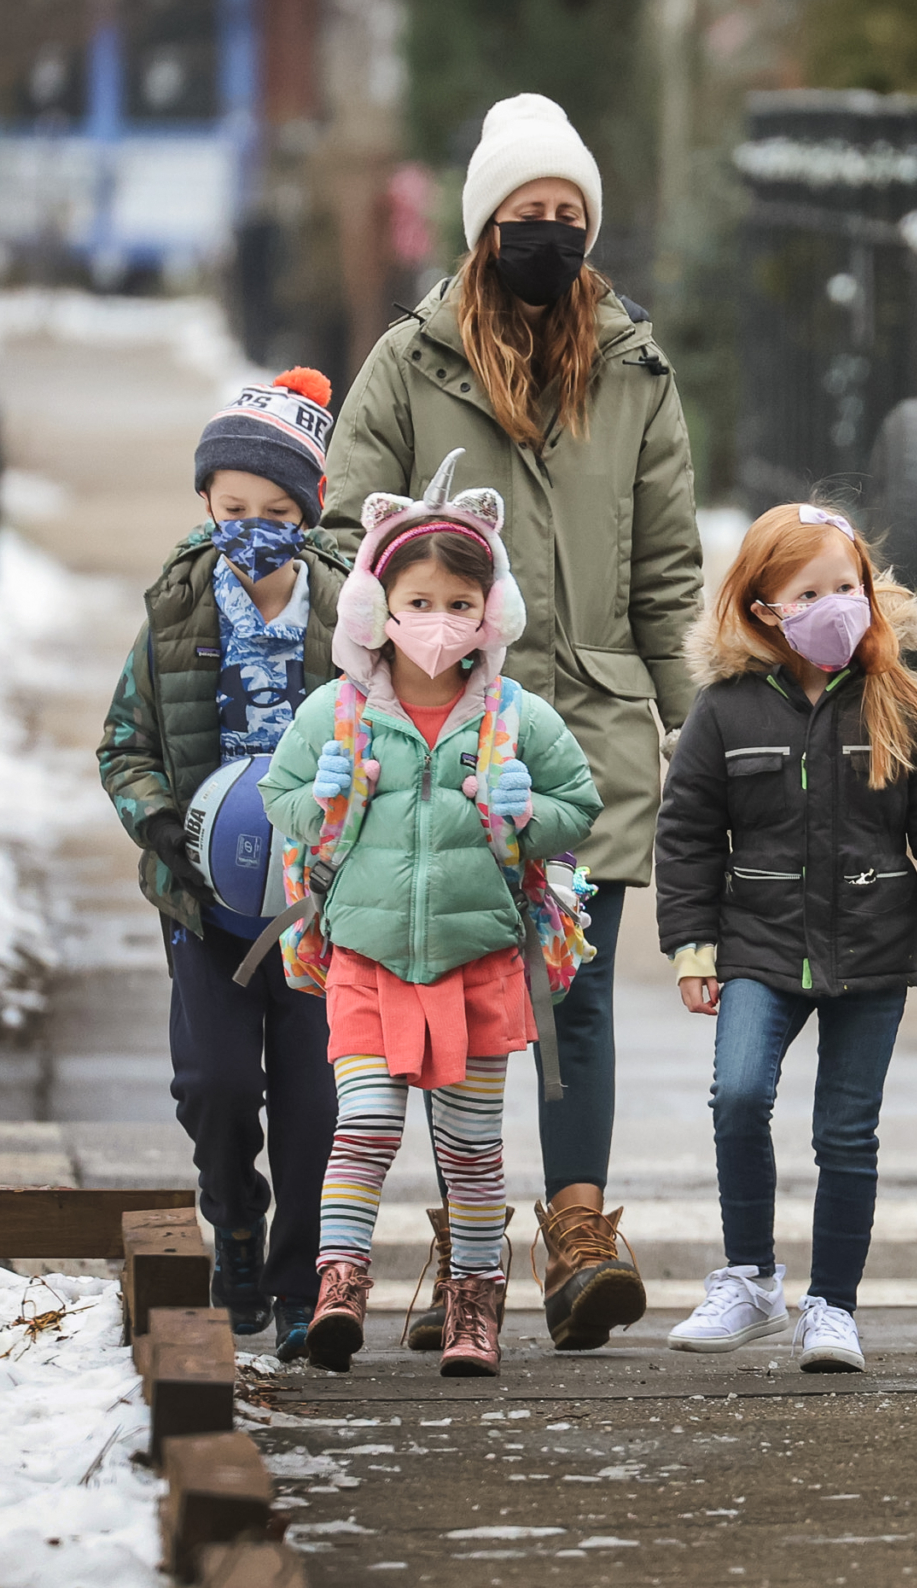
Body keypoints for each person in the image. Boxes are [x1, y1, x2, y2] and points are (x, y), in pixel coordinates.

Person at [324, 92, 704, 1350]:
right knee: (450, 992)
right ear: (486, 226)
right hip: (438, 731)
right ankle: (466, 1244)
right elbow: (341, 535)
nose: (551, 236)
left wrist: (697, 729)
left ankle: (582, 1232)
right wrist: (402, 631)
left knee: (575, 991)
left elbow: (666, 574)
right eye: (527, 216)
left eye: (570, 217)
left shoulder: (636, 372)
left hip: (586, 722)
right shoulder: (410, 363)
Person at [268, 461, 602, 1377]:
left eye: (461, 599)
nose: (438, 619)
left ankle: (474, 1305)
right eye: (419, 598)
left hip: (478, 960)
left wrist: (532, 809)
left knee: (471, 1148)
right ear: (379, 606)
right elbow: (280, 793)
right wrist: (314, 799)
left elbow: (581, 806)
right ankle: (340, 1285)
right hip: (368, 956)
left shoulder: (515, 715)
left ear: (490, 612)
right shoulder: (335, 713)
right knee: (365, 1125)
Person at [653, 501, 917, 1374]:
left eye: (849, 586)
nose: (837, 604)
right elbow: (688, 833)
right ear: (765, 606)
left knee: (847, 1132)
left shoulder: (902, 702)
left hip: (875, 948)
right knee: (737, 1096)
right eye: (812, 591)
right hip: (759, 943)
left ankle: (832, 1305)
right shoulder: (723, 711)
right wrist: (691, 945)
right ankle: (751, 1279)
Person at [96, 367, 350, 1360]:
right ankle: (232, 1217)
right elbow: (124, 744)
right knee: (212, 1083)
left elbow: (381, 733)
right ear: (206, 502)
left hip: (319, 904)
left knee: (314, 1101)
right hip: (203, 901)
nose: (251, 526)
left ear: (307, 514)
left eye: (275, 510)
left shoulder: (347, 616)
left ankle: (294, 1281)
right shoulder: (174, 613)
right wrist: (162, 829)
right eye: (233, 506)